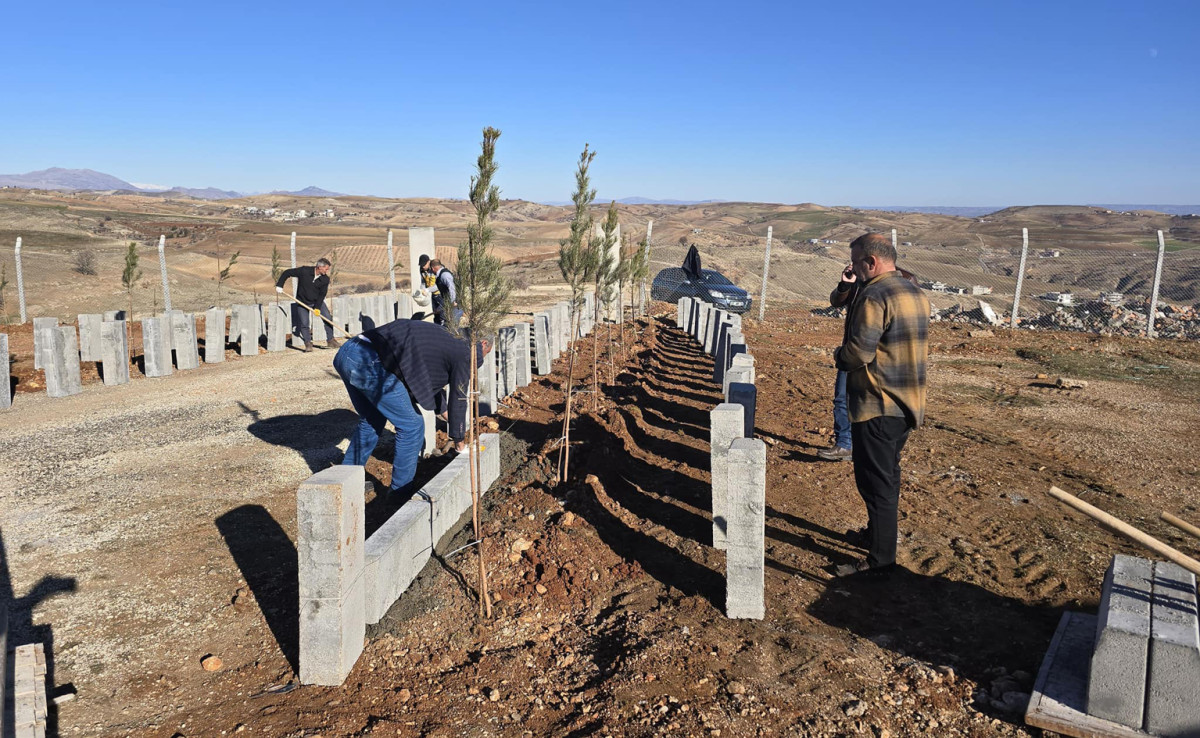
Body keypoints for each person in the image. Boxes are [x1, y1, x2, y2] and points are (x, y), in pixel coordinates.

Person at [832, 233, 929, 577]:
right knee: (887, 476)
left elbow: (860, 352)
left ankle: (880, 561)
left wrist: (838, 357)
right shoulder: (915, 291)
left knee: (875, 482)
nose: (854, 269)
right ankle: (876, 537)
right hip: (908, 402)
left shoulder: (874, 294)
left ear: (871, 262)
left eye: (857, 263)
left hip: (877, 402)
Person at [333, 319, 490, 499]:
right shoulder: (468, 351)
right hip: (370, 362)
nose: (481, 359)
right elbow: (459, 395)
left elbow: (429, 376)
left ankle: (346, 479)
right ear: (483, 343)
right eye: (485, 353)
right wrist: (459, 438)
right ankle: (400, 492)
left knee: (372, 418)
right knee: (412, 425)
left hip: (348, 353)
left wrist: (445, 412)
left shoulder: (446, 337)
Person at [819, 263, 919, 461]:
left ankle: (874, 448)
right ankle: (845, 444)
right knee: (842, 397)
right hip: (854, 349)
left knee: (878, 403)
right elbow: (836, 302)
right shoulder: (858, 277)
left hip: (884, 356)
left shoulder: (906, 279)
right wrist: (844, 285)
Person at [276, 258, 338, 352]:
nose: (327, 270)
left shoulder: (325, 279)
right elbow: (287, 273)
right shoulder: (304, 271)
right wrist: (280, 285)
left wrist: (317, 307)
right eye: (326, 268)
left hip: (317, 301)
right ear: (319, 267)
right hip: (302, 302)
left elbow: (322, 294)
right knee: (305, 324)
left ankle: (331, 340)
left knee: (328, 318)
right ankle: (308, 344)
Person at [427, 259, 461, 327]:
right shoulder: (440, 276)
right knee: (445, 325)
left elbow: (452, 288)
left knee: (452, 327)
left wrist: (452, 301)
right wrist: (427, 290)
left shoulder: (445, 275)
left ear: (433, 268)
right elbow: (439, 286)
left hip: (454, 305)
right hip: (448, 303)